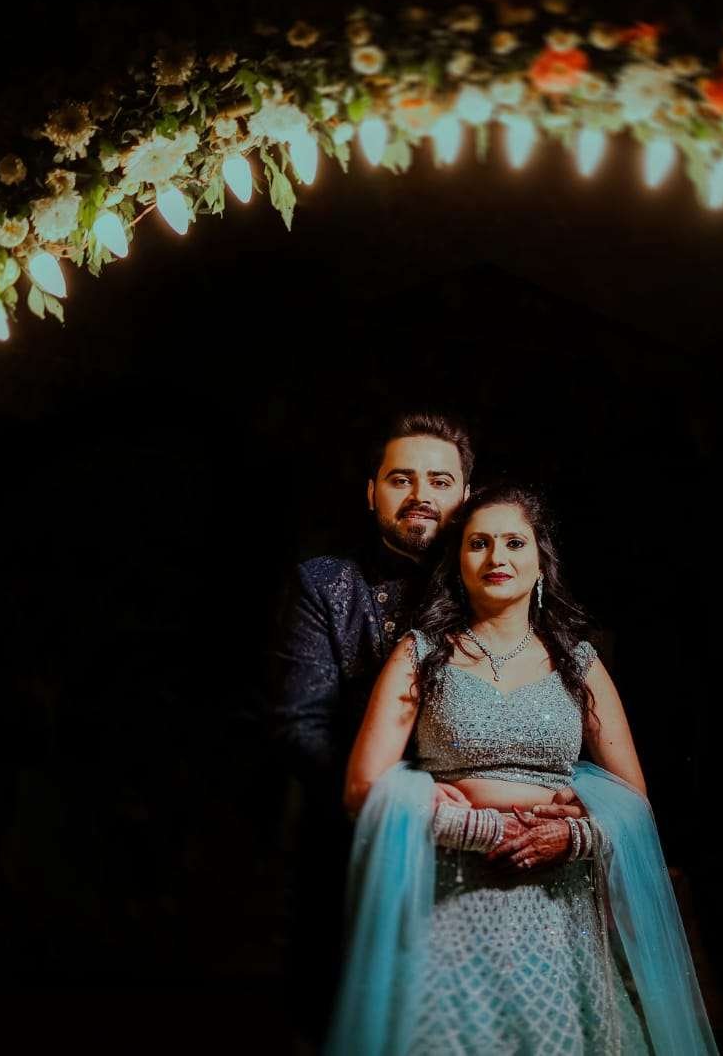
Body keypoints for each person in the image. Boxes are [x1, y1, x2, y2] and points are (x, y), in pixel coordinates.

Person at [329, 485, 718, 1054]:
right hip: (451, 912)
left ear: (541, 561)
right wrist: (474, 828)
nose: (497, 557)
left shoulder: (578, 663)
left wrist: (571, 837)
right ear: (457, 562)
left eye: (514, 543)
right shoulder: (420, 654)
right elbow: (363, 788)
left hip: (560, 921)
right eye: (478, 544)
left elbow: (633, 806)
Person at [268, 413, 475, 1045]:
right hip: (355, 847)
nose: (421, 495)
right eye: (401, 479)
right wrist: (402, 800)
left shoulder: (498, 578)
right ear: (371, 491)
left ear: (467, 495)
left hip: (484, 852)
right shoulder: (327, 584)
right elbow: (300, 725)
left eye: (440, 481)